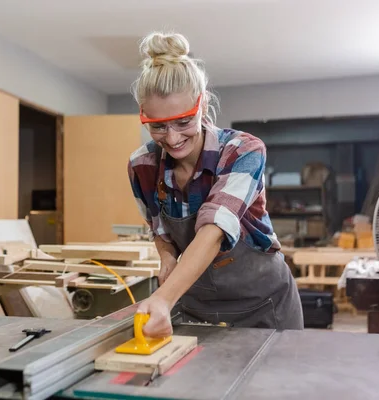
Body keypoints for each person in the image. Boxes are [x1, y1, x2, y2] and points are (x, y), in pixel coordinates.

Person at [127, 31, 304, 338]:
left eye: (184, 122)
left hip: (265, 306)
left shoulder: (243, 151)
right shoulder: (142, 165)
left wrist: (163, 298)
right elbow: (158, 228)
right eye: (158, 126)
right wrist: (167, 255)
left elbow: (214, 229)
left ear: (203, 103)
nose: (172, 138)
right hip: (196, 308)